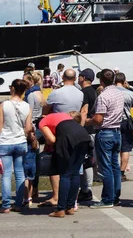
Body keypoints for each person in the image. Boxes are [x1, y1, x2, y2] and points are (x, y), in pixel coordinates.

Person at [40, 111, 90, 217]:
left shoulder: (42, 122)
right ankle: (70, 207)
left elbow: (52, 140)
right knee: (75, 172)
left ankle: (60, 209)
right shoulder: (63, 115)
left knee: (65, 174)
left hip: (68, 139)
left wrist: (47, 142)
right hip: (84, 136)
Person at [91, 69, 125, 208]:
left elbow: (99, 119)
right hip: (117, 131)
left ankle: (107, 199)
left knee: (106, 168)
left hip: (105, 132)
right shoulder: (119, 93)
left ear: (101, 81)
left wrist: (88, 121)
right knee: (115, 166)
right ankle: (115, 196)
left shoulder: (103, 96)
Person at [0, 79, 32, 213]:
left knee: (6, 174)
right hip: (20, 141)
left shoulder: (4, 105)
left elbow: (0, 124)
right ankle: (18, 203)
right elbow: (28, 127)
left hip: (5, 141)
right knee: (19, 173)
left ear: (12, 88)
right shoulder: (27, 106)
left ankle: (6, 204)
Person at [115, 72, 133, 182]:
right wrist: (128, 87)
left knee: (113, 148)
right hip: (125, 122)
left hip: (113, 122)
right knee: (125, 149)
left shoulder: (109, 92)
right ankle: (121, 173)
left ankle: (111, 171)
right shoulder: (129, 93)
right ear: (124, 81)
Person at [78, 68, 97, 202]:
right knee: (89, 159)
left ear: (83, 78)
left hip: (86, 130)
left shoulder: (84, 92)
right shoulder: (95, 92)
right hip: (93, 129)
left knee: (85, 160)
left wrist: (80, 128)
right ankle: (86, 188)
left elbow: (84, 111)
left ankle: (86, 189)